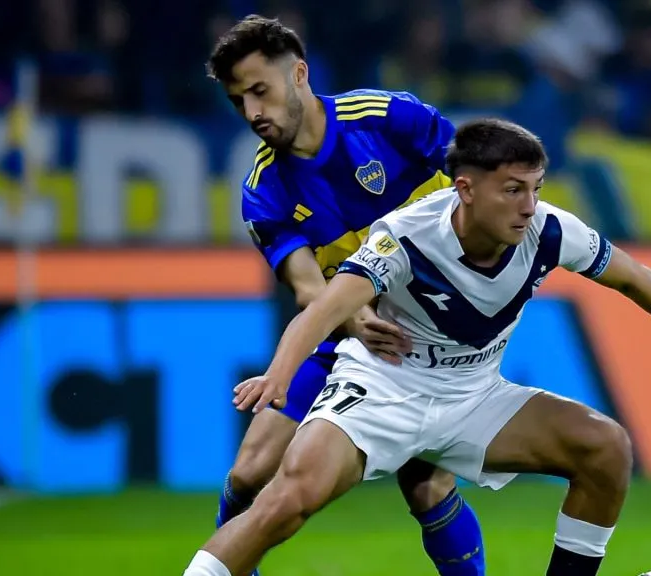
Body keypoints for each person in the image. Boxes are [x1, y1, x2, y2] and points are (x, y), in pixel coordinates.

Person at [182, 118, 651, 576]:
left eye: (536, 188)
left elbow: (633, 276)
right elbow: (324, 308)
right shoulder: (405, 235)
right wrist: (280, 374)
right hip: (384, 389)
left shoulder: (549, 230)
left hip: (473, 396)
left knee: (606, 447)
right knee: (290, 496)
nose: (529, 206)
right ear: (466, 189)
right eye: (513, 190)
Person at [203, 14, 486, 576]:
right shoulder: (263, 190)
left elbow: (475, 182)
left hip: (430, 333)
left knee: (426, 485)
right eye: (240, 101)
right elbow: (308, 284)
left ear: (300, 74)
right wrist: (353, 316)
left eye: (261, 90)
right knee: (247, 475)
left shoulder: (387, 118)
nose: (253, 112)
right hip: (348, 333)